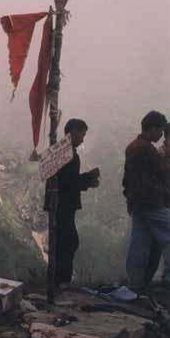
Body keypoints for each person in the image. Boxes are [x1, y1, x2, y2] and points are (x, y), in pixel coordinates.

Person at [123, 111, 170, 292]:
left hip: (137, 202)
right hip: (151, 202)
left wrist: (129, 197)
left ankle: (135, 283)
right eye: (160, 131)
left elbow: (127, 178)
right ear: (152, 128)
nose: (161, 136)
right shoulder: (146, 149)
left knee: (140, 243)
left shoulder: (132, 146)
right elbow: (165, 171)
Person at [51, 118, 100, 287]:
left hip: (58, 203)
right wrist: (88, 178)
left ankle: (58, 280)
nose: (83, 139)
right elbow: (68, 183)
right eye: (82, 134)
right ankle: (62, 281)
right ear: (73, 132)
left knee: (65, 241)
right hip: (63, 205)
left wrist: (86, 179)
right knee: (68, 242)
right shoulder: (68, 153)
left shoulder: (59, 150)